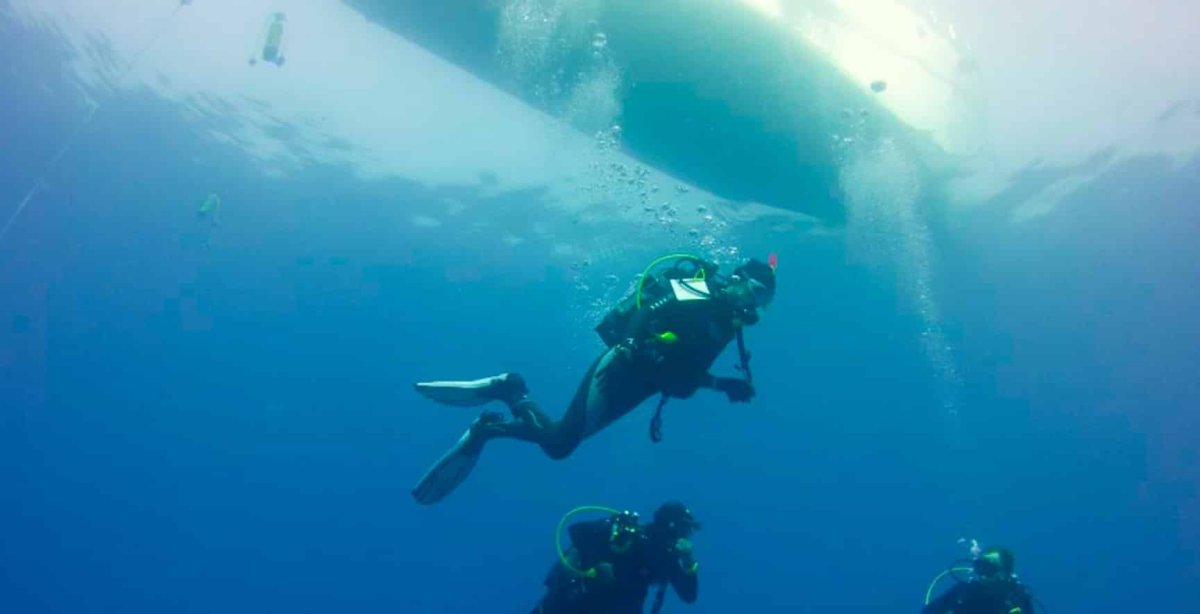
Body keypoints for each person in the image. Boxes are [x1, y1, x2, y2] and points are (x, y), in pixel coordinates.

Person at [411, 254, 777, 504]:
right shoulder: (704, 290)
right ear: (739, 280)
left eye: (763, 302)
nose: (754, 306)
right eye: (756, 294)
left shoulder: (728, 327)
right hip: (621, 368)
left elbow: (684, 373)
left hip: (643, 387)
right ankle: (510, 390)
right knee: (559, 443)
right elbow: (651, 307)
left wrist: (721, 385)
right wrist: (632, 341)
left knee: (561, 445)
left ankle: (492, 423)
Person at [534, 502, 700, 614]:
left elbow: (689, 595)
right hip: (576, 603)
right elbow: (580, 532)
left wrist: (688, 560)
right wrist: (597, 566)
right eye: (685, 530)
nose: (687, 536)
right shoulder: (630, 536)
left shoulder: (668, 558)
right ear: (672, 526)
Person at [923, 547, 1037, 614]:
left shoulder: (1018, 599)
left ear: (1006, 573)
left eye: (988, 569)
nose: (983, 575)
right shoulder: (963, 592)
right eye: (980, 568)